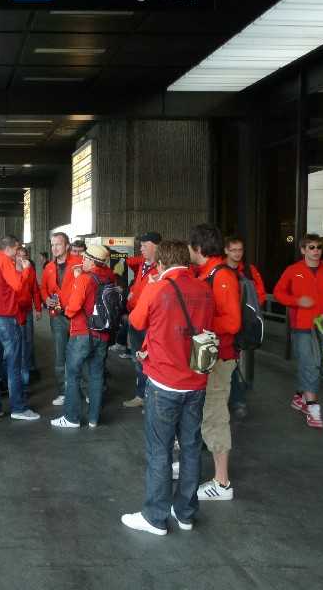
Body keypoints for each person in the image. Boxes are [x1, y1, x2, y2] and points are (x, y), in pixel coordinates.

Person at [121, 240, 215, 535]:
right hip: (196, 381)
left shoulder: (159, 288)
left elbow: (136, 321)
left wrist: (149, 288)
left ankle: (155, 517)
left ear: (160, 263)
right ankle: (185, 513)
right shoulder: (204, 288)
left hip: (164, 381)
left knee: (159, 450)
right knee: (191, 448)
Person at [274, 233, 323, 429]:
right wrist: (297, 301)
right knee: (310, 364)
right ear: (303, 250)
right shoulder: (293, 270)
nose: (316, 251)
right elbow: (278, 293)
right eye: (311, 247)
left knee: (315, 363)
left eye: (319, 247)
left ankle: (299, 396)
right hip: (302, 326)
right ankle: (312, 407)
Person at [189, 223, 241, 501]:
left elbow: (231, 322)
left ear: (198, 248)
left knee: (214, 414)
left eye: (191, 246)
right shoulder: (207, 273)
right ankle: (194, 466)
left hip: (219, 357)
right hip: (209, 355)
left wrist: (198, 325)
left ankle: (222, 483)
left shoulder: (221, 276)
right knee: (202, 412)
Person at [51, 244, 114, 428]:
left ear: (92, 261)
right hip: (102, 334)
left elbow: (73, 308)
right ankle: (94, 418)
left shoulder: (84, 279)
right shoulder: (109, 276)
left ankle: (71, 418)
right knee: (96, 376)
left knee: (72, 375)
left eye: (85, 258)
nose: (82, 260)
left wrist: (77, 281)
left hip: (82, 333)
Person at [0, 235, 40, 421]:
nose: (17, 254)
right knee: (14, 364)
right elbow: (18, 286)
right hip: (5, 318)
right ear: (9, 248)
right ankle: (18, 408)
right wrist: (26, 270)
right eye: (16, 250)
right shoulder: (5, 261)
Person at [224, 235, 267, 420]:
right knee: (230, 362)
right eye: (233, 250)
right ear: (226, 250)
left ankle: (238, 397)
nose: (237, 253)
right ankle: (237, 399)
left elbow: (260, 295)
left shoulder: (249, 270)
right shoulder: (220, 270)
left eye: (240, 250)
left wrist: (249, 313)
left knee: (235, 362)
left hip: (245, 324)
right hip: (228, 324)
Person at [40, 232, 83, 406]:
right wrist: (46, 299)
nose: (54, 248)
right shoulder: (49, 267)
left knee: (80, 354)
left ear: (67, 246)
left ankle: (82, 390)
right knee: (60, 356)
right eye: (52, 245)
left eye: (58, 244)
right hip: (57, 316)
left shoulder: (78, 263)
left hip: (76, 316)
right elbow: (43, 288)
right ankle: (63, 392)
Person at [122, 231, 162, 409]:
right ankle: (141, 395)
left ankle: (151, 400)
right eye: (141, 245)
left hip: (150, 322)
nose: (141, 249)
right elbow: (129, 262)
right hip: (136, 318)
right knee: (138, 359)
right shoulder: (143, 265)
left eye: (145, 245)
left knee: (151, 361)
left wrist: (155, 258)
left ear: (156, 247)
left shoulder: (161, 267)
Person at [16, 245, 42, 386]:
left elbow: (35, 290)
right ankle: (20, 371)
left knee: (29, 340)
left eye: (24, 255)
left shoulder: (30, 270)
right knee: (18, 342)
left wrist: (38, 308)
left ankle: (30, 367)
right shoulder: (10, 271)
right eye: (18, 255)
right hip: (14, 312)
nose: (21, 258)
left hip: (27, 311)